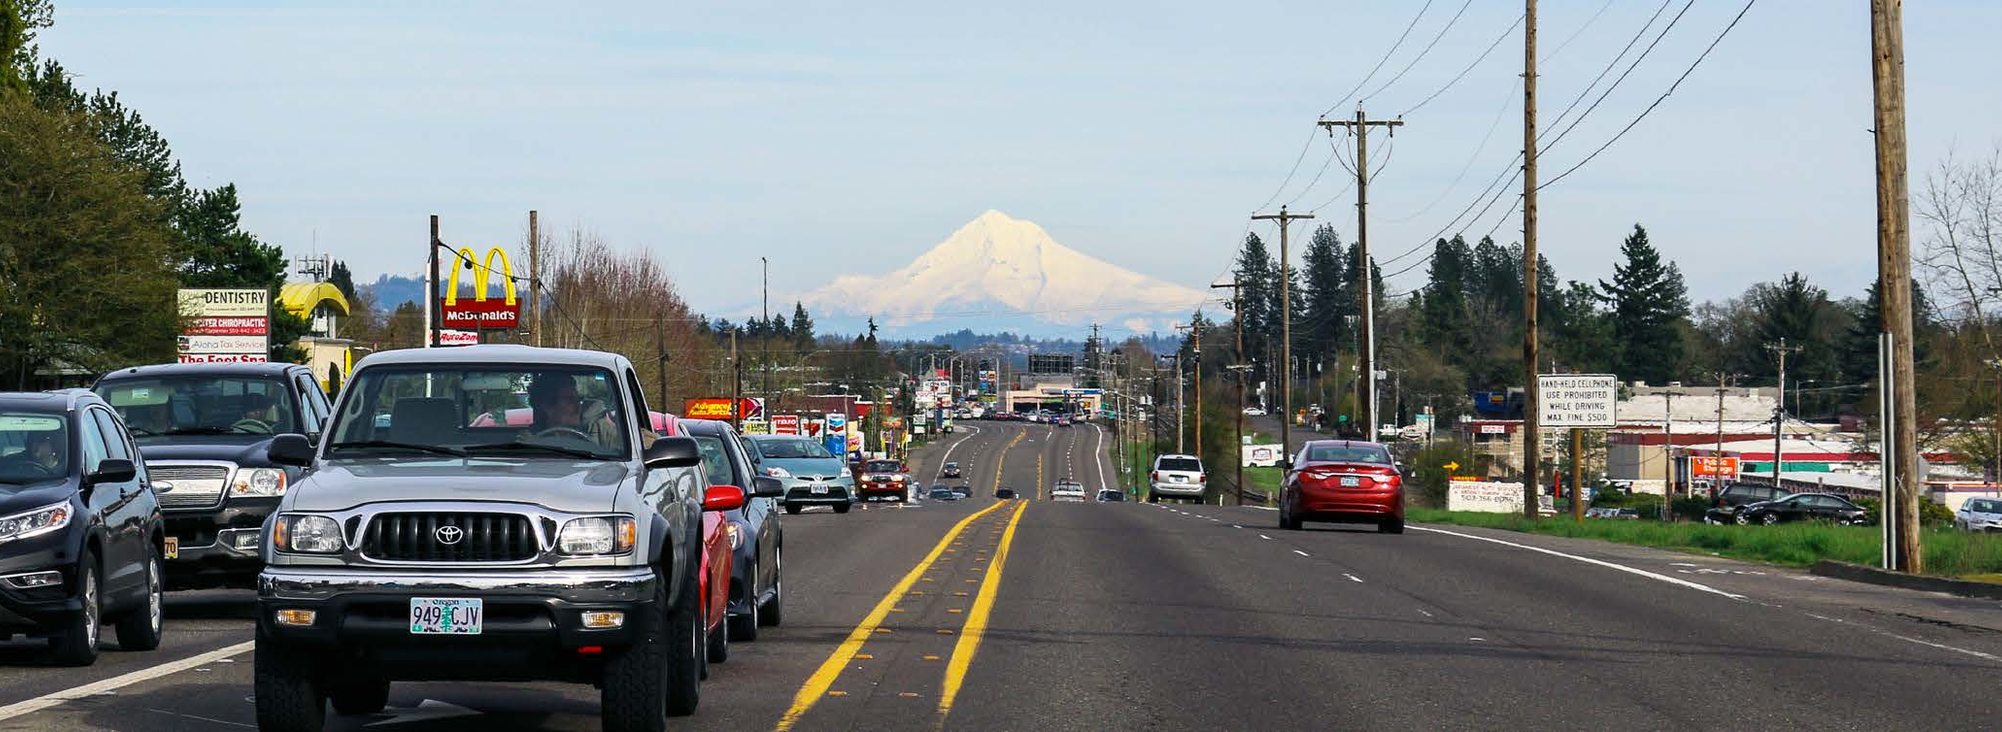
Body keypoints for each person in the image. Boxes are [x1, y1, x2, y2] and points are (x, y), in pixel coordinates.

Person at [527, 374, 620, 448]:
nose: (577, 405)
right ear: (547, 407)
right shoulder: (528, 440)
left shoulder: (601, 431)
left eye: (578, 399)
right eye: (569, 399)